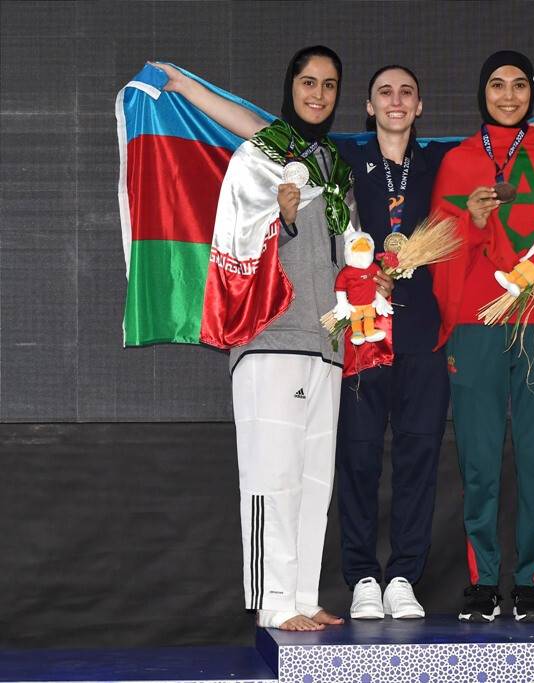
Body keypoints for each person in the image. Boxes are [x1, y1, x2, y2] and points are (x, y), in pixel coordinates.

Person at [155, 58, 534, 621]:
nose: (395, 100)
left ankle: (405, 577)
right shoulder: (338, 155)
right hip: (359, 336)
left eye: (407, 92)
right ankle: (362, 575)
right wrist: (188, 87)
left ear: (419, 107)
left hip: (424, 334)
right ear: (367, 106)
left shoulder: (444, 158)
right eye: (384, 92)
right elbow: (258, 126)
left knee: (418, 458)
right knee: (356, 460)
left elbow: (532, 132)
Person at [189, 45, 356, 632]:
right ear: (290, 86)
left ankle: (303, 595)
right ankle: (271, 602)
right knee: (270, 474)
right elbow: (235, 235)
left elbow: (347, 253)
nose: (318, 93)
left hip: (328, 343)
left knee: (315, 478)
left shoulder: (335, 165)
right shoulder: (258, 155)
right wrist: (280, 218)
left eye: (330, 85)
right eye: (308, 82)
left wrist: (370, 273)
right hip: (271, 339)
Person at [430, 51, 534, 623]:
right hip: (476, 324)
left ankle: (530, 579)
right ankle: (481, 580)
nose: (507, 94)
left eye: (519, 85)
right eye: (496, 84)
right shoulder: (457, 162)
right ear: (482, 91)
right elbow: (438, 252)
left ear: (531, 93)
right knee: (478, 459)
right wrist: (470, 224)